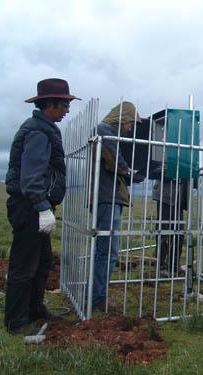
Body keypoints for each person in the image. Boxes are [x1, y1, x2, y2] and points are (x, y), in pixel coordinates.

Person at [4, 78, 80, 335]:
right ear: (51, 104)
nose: (68, 110)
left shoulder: (43, 127)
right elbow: (31, 175)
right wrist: (41, 207)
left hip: (34, 205)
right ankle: (16, 322)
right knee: (24, 264)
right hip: (29, 207)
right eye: (65, 104)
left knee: (42, 261)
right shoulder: (38, 131)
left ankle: (34, 310)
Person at [92, 101, 142, 310]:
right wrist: (131, 172)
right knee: (108, 251)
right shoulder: (105, 132)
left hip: (106, 196)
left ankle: (95, 294)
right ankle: (98, 299)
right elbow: (115, 162)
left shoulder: (104, 132)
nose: (131, 128)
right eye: (130, 123)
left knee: (103, 249)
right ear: (121, 120)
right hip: (108, 197)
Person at [152, 179, 188, 277]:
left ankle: (174, 265)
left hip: (179, 197)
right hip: (165, 195)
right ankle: (161, 267)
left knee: (179, 233)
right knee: (163, 232)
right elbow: (157, 168)